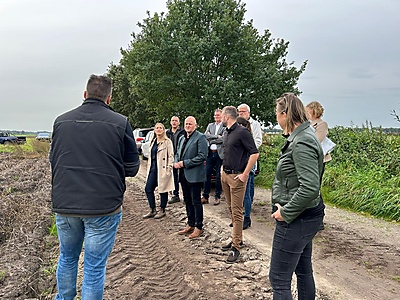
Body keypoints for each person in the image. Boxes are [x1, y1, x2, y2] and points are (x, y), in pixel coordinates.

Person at [49, 74, 140, 299]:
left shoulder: (61, 121)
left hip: (66, 203)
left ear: (84, 95)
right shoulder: (121, 123)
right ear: (109, 98)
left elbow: (54, 159)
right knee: (93, 266)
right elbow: (132, 167)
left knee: (67, 258)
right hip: (103, 206)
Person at [269, 92, 325, 299]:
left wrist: (287, 212)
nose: (276, 117)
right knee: (303, 271)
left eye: (276, 112)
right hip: (303, 215)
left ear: (285, 113)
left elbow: (310, 187)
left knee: (279, 279)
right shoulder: (301, 136)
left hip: (297, 218)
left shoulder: (301, 141)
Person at [220, 106, 259, 263]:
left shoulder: (242, 132)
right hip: (226, 175)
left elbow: (254, 153)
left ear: (227, 116)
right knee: (230, 209)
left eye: (222, 115)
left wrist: (245, 174)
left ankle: (236, 247)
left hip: (237, 177)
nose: (221, 117)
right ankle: (237, 238)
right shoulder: (227, 132)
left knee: (237, 212)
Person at [174, 116, 208, 239]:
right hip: (183, 174)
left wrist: (184, 163)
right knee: (187, 200)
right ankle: (190, 223)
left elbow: (202, 156)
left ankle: (199, 226)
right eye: (186, 124)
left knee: (196, 201)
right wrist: (177, 162)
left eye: (190, 124)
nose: (188, 126)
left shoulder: (200, 138)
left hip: (194, 175)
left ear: (195, 125)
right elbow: (178, 153)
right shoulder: (182, 138)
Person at [306, 101, 332, 230]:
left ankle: (319, 215)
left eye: (308, 110)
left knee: (315, 188)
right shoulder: (307, 124)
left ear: (314, 111)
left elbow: (315, 140)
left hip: (318, 160)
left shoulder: (321, 124)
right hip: (308, 160)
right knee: (310, 187)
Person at [237, 103, 263, 229]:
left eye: (243, 111)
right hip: (240, 160)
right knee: (245, 188)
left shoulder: (255, 125)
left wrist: (247, 149)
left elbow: (258, 141)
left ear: (248, 112)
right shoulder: (237, 124)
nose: (241, 113)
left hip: (250, 158)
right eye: (239, 111)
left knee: (248, 187)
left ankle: (247, 213)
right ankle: (244, 210)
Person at [143, 123, 175, 219]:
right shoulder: (153, 141)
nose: (159, 129)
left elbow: (171, 156)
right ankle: (152, 209)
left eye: (161, 128)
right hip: (153, 169)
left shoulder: (167, 142)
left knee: (163, 190)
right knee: (148, 189)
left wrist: (169, 169)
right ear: (154, 130)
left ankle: (162, 209)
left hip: (162, 169)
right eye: (157, 128)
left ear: (164, 130)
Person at [201, 109, 225, 205]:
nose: (216, 117)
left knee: (219, 176)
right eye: (215, 115)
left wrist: (212, 138)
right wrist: (216, 137)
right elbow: (205, 136)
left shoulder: (224, 126)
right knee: (207, 174)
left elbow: (223, 139)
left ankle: (217, 196)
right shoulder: (210, 125)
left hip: (220, 154)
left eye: (218, 115)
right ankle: (205, 196)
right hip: (210, 153)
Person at [166, 116, 185, 204]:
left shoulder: (182, 132)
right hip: (171, 157)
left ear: (179, 123)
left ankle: (185, 196)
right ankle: (175, 195)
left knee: (183, 177)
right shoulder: (167, 133)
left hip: (181, 157)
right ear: (170, 122)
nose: (174, 122)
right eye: (173, 120)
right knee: (174, 177)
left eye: (176, 121)